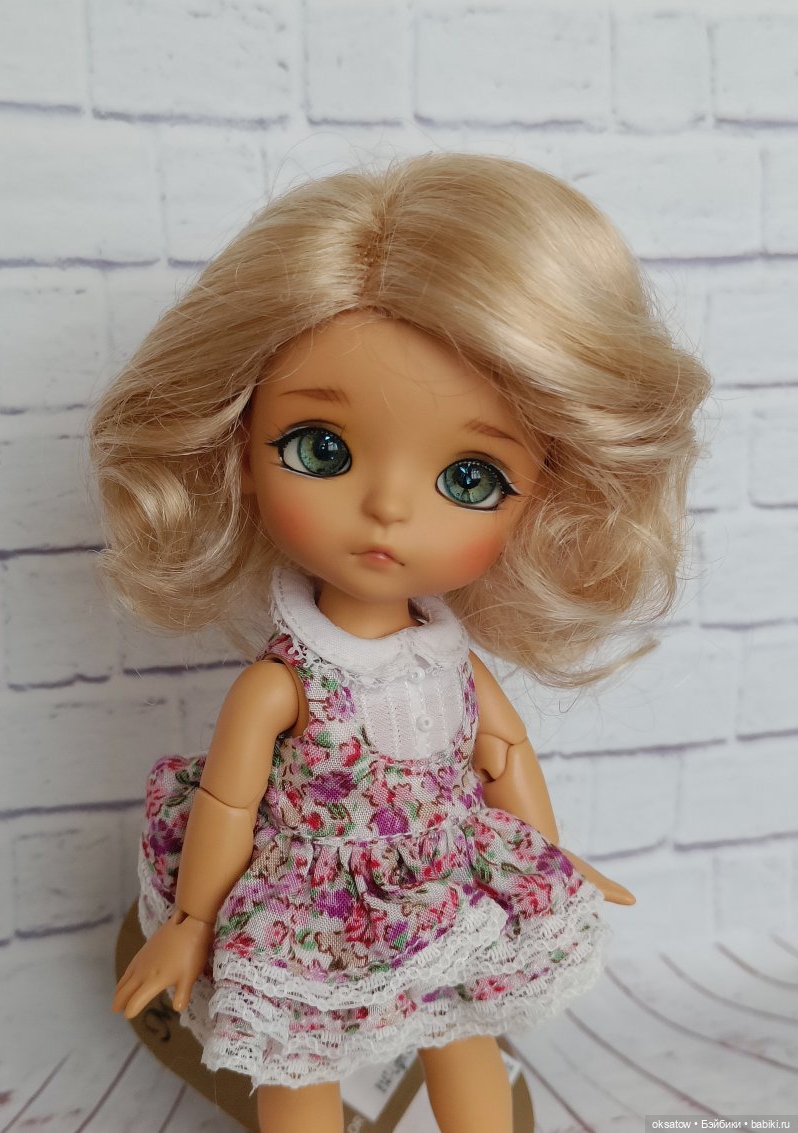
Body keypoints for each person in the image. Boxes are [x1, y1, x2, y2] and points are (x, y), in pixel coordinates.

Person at [91, 154, 710, 1133]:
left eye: (469, 478)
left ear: (547, 499)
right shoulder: (281, 684)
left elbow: (503, 754)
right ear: (237, 450)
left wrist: (547, 860)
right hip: (311, 901)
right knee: (301, 1058)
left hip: (446, 884)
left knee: (462, 1033)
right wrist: (191, 922)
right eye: (321, 449)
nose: (386, 507)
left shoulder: (450, 658)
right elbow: (229, 802)